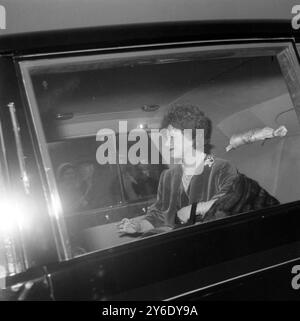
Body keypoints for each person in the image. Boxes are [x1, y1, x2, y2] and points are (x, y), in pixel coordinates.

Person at [118, 103, 279, 235]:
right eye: (165, 139)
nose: (167, 144)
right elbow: (159, 215)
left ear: (193, 136)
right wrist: (138, 226)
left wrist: (193, 209)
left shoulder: (221, 167)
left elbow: (230, 203)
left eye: (172, 137)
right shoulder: (168, 176)